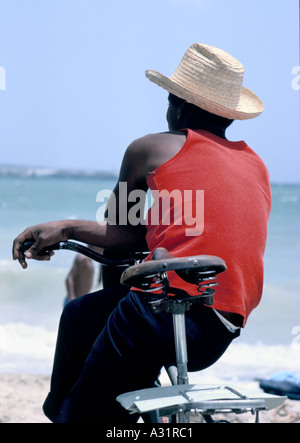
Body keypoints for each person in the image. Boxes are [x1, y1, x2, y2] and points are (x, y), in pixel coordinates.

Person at [12, 43, 271, 423]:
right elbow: (159, 234)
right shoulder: (256, 164)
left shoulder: (149, 148)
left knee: (85, 407)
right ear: (228, 117)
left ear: (176, 104)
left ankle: (69, 414)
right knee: (83, 315)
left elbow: (120, 232)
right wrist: (68, 228)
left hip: (161, 314)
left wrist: (63, 226)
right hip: (220, 328)